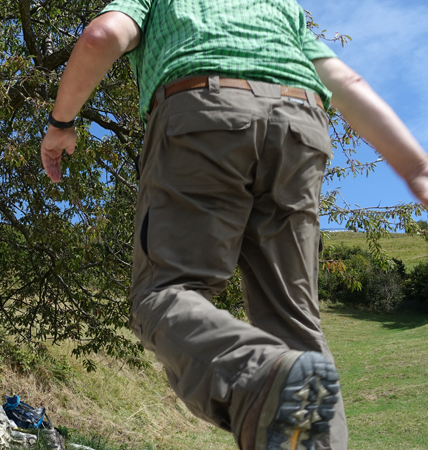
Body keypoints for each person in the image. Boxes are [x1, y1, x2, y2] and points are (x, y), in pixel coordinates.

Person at [39, 1, 428, 450]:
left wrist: (61, 123)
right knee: (295, 323)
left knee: (162, 295)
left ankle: (259, 378)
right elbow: (345, 81)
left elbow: (102, 36)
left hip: (204, 111)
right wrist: (415, 167)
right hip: (301, 126)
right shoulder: (278, 4)